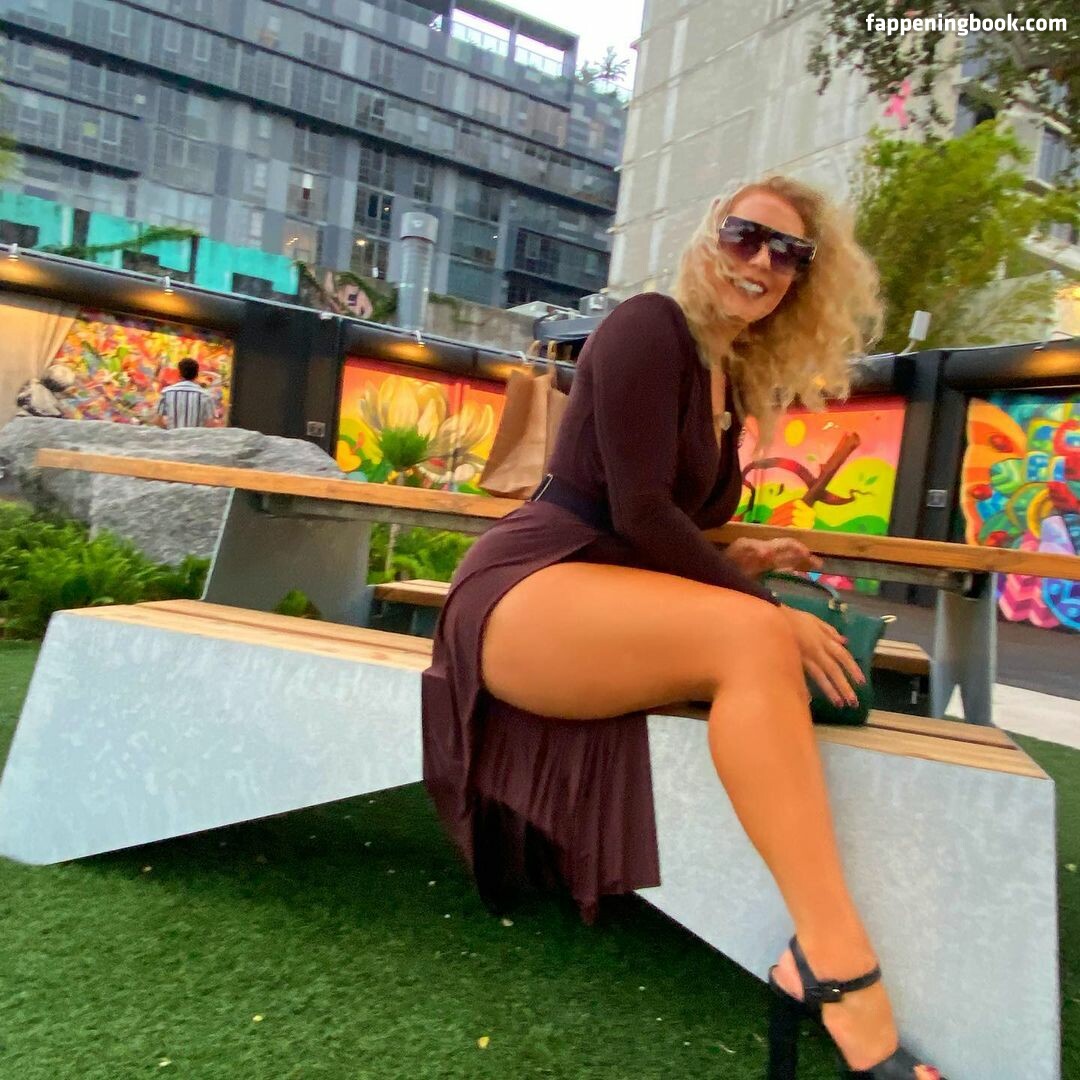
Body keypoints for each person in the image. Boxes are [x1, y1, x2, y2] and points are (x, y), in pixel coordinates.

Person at [421, 175, 943, 1079]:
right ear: (709, 237)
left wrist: (742, 563)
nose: (763, 262)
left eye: (790, 254)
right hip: (525, 586)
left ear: (802, 281)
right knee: (759, 637)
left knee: (755, 639)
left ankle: (822, 958)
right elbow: (636, 511)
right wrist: (761, 609)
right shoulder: (648, 325)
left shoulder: (722, 379)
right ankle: (839, 971)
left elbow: (660, 532)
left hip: (593, 594)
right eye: (747, 235)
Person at [155, 358, 216, 429]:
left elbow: (158, 421)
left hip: (173, 435)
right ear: (196, 374)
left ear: (179, 373)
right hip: (195, 435)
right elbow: (210, 423)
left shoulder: (166, 392)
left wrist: (168, 431)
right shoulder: (206, 395)